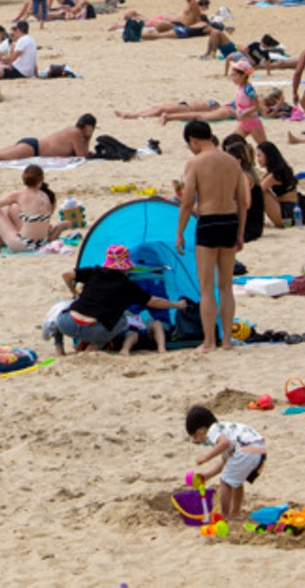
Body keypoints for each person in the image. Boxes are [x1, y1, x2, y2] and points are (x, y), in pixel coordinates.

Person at [176, 119, 249, 353]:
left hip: (208, 222)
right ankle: (227, 340)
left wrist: (179, 233)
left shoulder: (195, 163)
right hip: (229, 221)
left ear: (193, 140)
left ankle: (209, 341)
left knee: (207, 287)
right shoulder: (232, 162)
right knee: (226, 286)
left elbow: (187, 202)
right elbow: (242, 202)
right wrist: (240, 233)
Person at [51, 244, 186, 353]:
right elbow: (155, 302)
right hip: (93, 331)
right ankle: (95, 345)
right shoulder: (126, 285)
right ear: (124, 267)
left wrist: (73, 290)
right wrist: (178, 305)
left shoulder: (94, 272)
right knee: (122, 320)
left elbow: (66, 274)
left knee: (60, 310)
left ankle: (59, 350)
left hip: (67, 325)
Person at [186, 405, 267, 522]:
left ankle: (225, 515)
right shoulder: (225, 429)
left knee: (225, 481)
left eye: (196, 438)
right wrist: (208, 475)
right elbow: (224, 461)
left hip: (245, 448)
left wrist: (206, 457)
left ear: (201, 431)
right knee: (235, 481)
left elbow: (224, 443)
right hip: (258, 449)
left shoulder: (213, 430)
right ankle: (235, 512)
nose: (198, 441)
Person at [0, 114, 95, 164]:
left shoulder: (73, 131)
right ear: (88, 126)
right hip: (34, 148)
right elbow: (81, 155)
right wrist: (88, 138)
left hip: (33, 145)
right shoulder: (76, 133)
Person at [0, 164, 57, 251]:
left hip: (24, 244)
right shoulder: (45, 196)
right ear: (41, 180)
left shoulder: (19, 194)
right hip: (41, 244)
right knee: (13, 209)